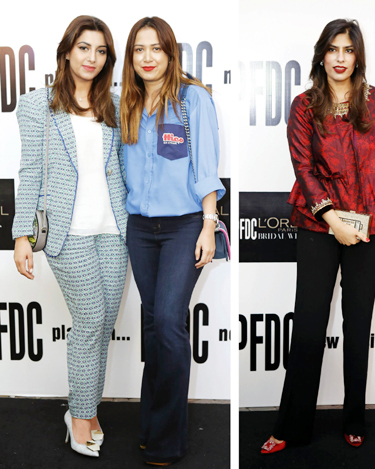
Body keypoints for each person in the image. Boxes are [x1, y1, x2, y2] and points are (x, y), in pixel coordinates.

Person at [261, 18, 375, 454]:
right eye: (333, 49)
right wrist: (333, 222)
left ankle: (354, 419)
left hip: (372, 227)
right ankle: (290, 427)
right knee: (308, 326)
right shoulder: (304, 106)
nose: (340, 58)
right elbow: (303, 170)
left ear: (358, 56)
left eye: (348, 49)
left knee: (358, 326)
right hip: (318, 227)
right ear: (321, 55)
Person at [12, 15, 127, 458]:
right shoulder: (36, 105)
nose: (91, 58)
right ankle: (78, 416)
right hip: (66, 233)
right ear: (66, 51)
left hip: (114, 230)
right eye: (83, 48)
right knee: (90, 320)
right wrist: (22, 235)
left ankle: (89, 409)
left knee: (103, 324)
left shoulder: (116, 103)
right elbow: (29, 171)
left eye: (100, 51)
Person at [120, 16, 225, 466]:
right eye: (139, 49)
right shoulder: (123, 103)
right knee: (153, 326)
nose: (147, 58)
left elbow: (206, 165)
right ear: (131, 57)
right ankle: (150, 427)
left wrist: (208, 224)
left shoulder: (192, 99)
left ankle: (167, 439)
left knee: (167, 322)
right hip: (140, 230)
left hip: (184, 226)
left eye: (156, 49)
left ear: (170, 53)